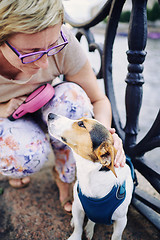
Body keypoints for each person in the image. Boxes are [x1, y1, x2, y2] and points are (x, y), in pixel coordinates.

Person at [0, 0, 125, 213]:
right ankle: (17, 167)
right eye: (32, 52)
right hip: (7, 117)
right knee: (21, 159)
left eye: (51, 47)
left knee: (73, 99)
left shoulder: (64, 41)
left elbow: (98, 99)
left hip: (45, 108)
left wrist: (105, 136)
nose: (45, 64)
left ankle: (64, 175)